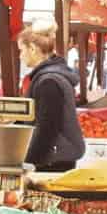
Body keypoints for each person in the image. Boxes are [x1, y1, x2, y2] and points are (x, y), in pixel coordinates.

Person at [18, 20, 85, 172]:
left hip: (52, 160)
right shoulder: (52, 76)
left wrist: (29, 161)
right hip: (57, 156)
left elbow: (46, 128)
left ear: (33, 49)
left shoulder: (48, 81)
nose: (20, 56)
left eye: (22, 50)